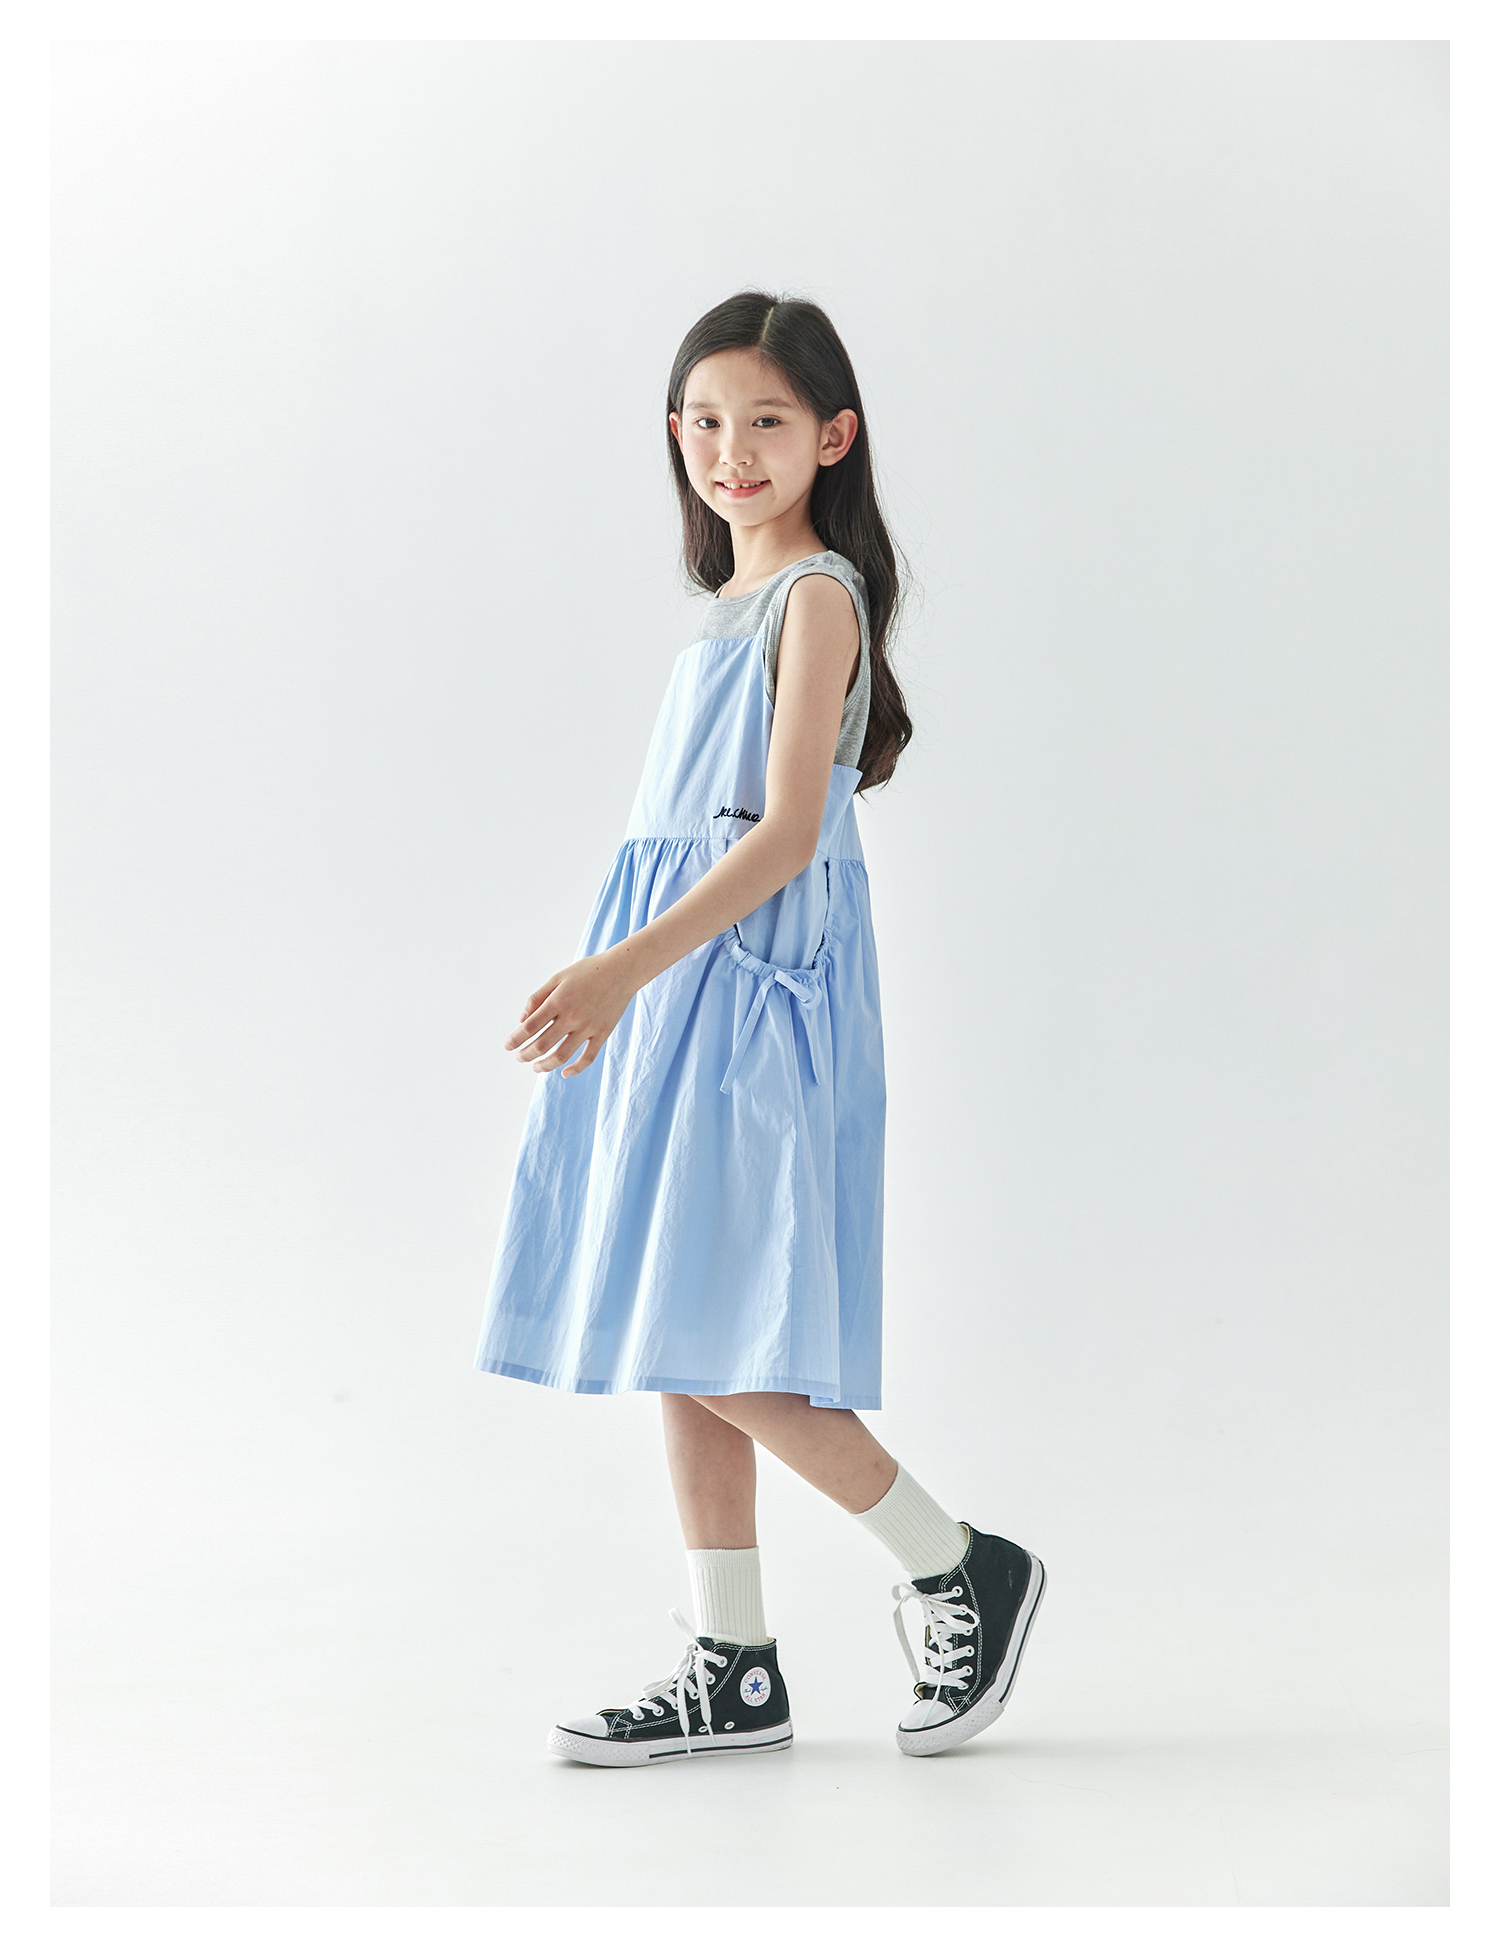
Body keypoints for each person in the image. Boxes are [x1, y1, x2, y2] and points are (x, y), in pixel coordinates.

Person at [476, 291, 1045, 1766]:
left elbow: (789, 834)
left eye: (769, 422)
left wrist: (618, 970)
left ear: (832, 438)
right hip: (690, 982)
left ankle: (957, 1562)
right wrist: (636, 974)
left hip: (748, 990)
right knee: (680, 1326)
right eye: (708, 422)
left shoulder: (817, 597)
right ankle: (731, 1665)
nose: (733, 450)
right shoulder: (728, 614)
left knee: (713, 1327)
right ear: (675, 434)